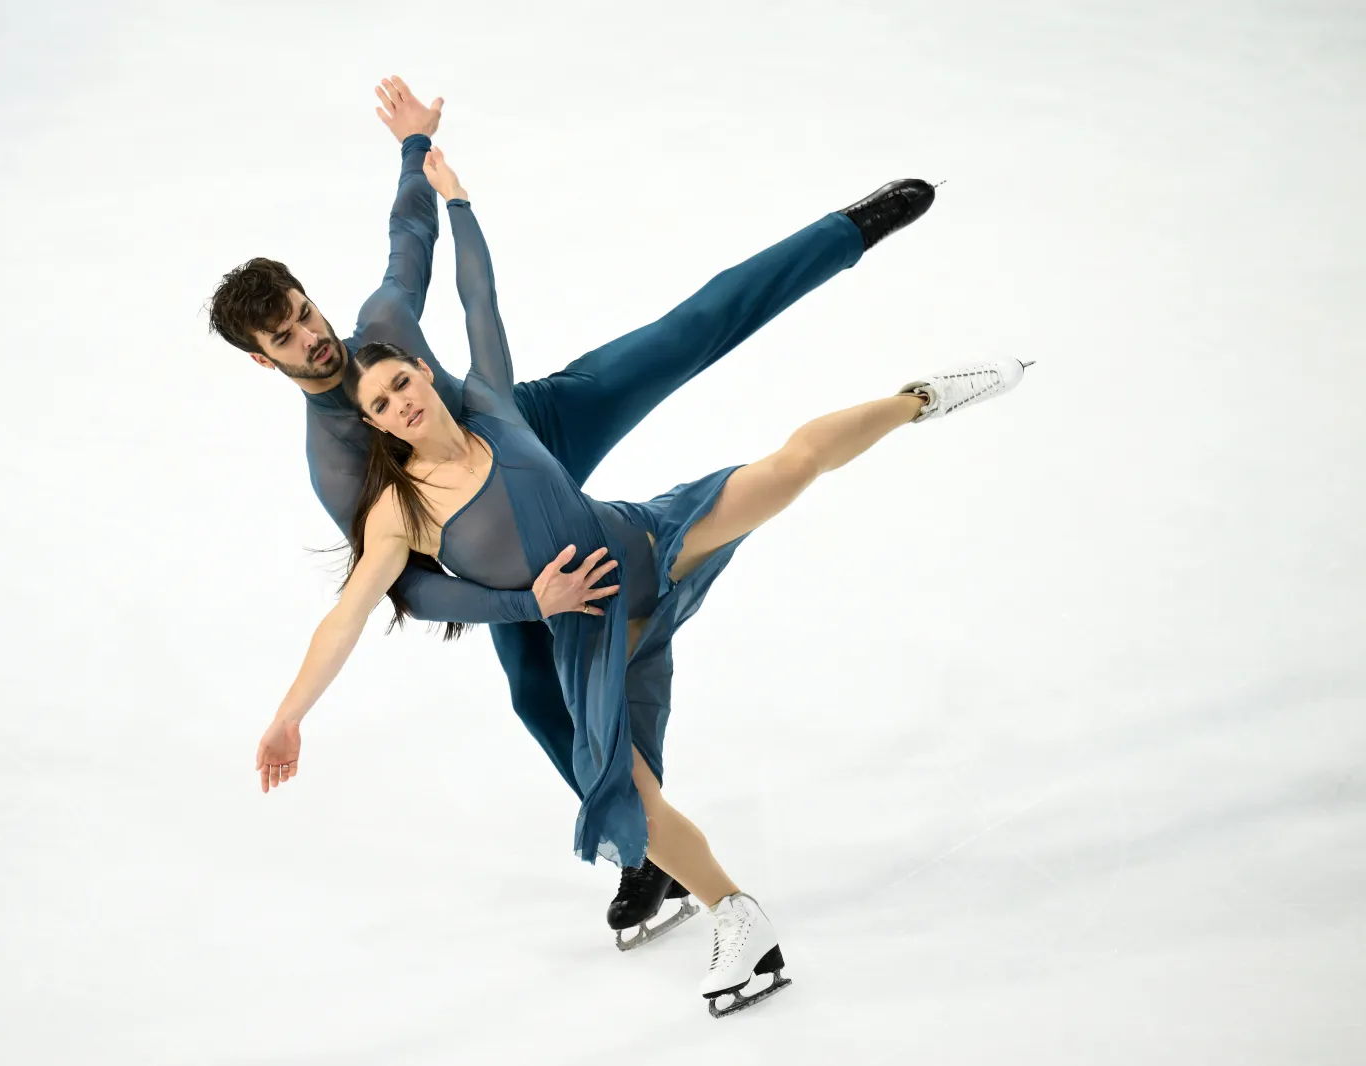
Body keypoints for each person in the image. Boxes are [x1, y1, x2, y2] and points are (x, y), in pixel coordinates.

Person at [249, 146, 1031, 1015]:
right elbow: (386, 599)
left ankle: (879, 301)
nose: (310, 337)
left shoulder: (444, 368)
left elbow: (443, 269)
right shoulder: (366, 488)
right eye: (285, 338)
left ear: (421, 370)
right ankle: (668, 866)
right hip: (535, 576)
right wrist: (300, 709)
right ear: (271, 363)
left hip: (545, 451)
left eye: (304, 314)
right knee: (552, 715)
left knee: (713, 377)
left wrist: (429, 172)